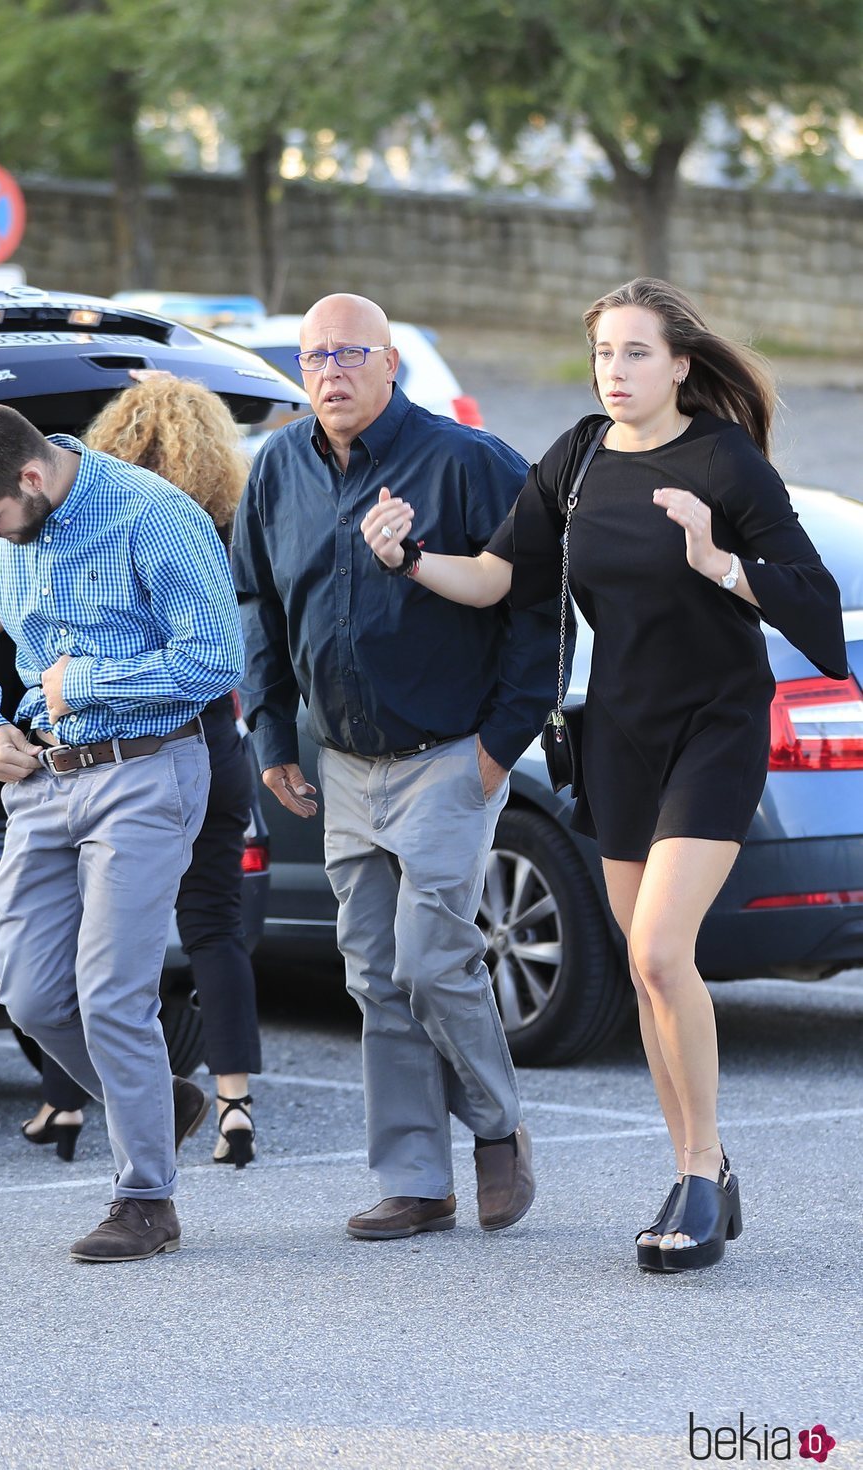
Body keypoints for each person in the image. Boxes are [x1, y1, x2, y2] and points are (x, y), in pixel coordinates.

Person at [363, 277, 848, 1271]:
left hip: (713, 730)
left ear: (678, 363)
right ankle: (691, 1169)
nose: (614, 372)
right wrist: (408, 557)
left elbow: (814, 610)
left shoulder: (723, 460)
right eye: (601, 355)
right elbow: (497, 576)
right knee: (640, 969)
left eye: (634, 353)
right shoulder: (577, 458)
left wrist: (715, 561)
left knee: (664, 953)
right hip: (615, 732)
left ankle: (702, 1175)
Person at [231, 292, 562, 1240]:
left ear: (391, 362)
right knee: (374, 972)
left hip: (448, 755)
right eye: (312, 359)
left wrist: (503, 743)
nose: (328, 373)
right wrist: (271, 738)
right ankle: (417, 1180)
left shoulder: (470, 463)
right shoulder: (278, 470)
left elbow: (539, 605)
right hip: (339, 763)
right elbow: (259, 604)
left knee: (433, 959)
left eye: (347, 354)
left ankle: (498, 1129)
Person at [0, 400, 243, 1262]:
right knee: (28, 993)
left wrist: (87, 683)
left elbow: (216, 657)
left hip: (148, 770)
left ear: (31, 477)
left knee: (111, 991)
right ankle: (156, 1100)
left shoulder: (152, 513)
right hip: (41, 777)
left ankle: (146, 1198)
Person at [16, 374, 262, 1168]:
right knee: (217, 929)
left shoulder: (114, 519)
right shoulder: (222, 520)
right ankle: (233, 1103)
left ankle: (64, 1100)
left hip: (136, 750)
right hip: (216, 742)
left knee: (95, 947)